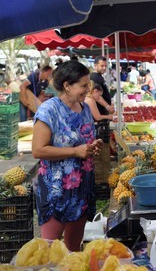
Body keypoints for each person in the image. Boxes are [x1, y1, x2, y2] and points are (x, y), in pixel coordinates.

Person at [32, 60, 104, 251]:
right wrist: (75, 151)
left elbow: (83, 141)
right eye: (83, 85)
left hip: (82, 189)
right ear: (66, 85)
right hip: (57, 192)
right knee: (49, 250)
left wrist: (92, 147)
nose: (87, 89)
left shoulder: (85, 109)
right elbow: (38, 150)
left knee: (73, 248)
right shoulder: (49, 110)